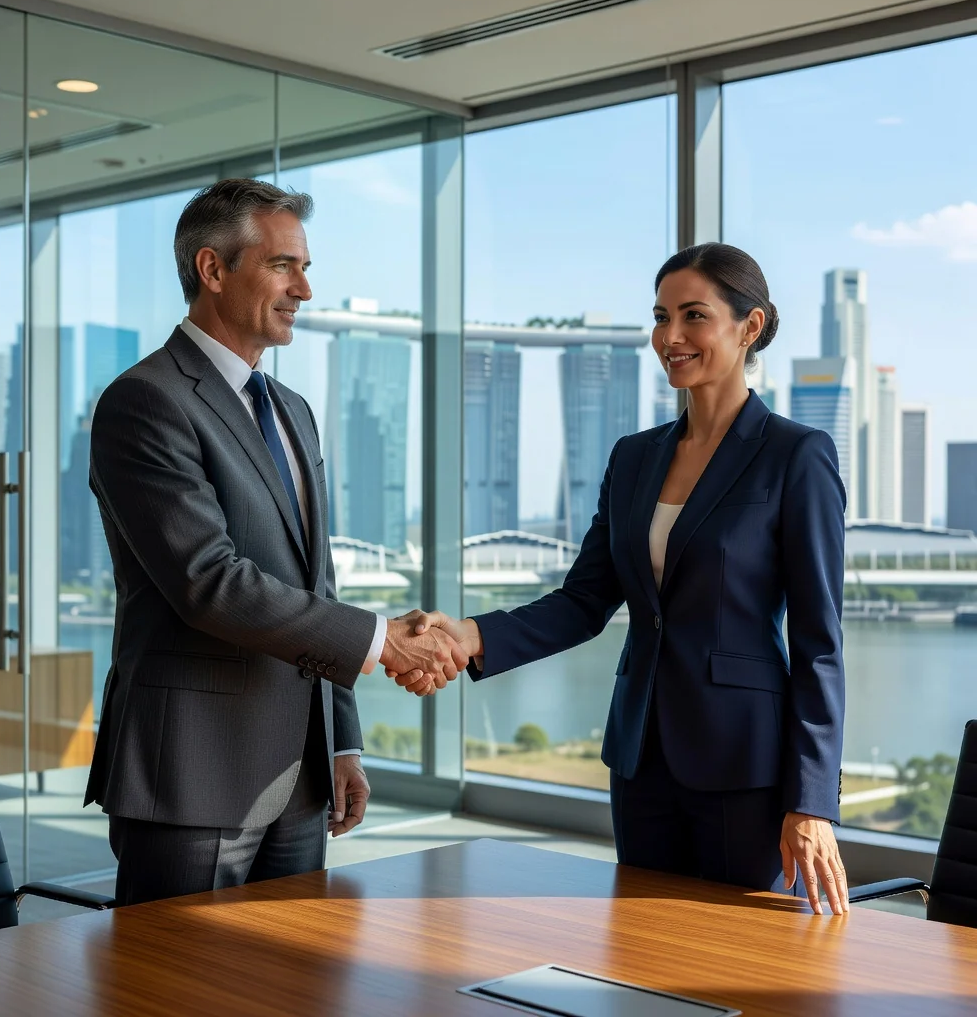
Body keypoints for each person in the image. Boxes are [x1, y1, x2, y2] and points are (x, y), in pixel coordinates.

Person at [398, 243, 850, 916]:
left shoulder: (796, 456)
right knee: (639, 943)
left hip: (745, 765)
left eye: (694, 315)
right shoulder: (634, 457)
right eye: (662, 317)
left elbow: (820, 644)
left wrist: (812, 801)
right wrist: (467, 635)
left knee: (740, 957)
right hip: (641, 759)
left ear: (749, 327)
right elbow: (584, 600)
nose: (670, 336)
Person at [85, 178, 463, 906]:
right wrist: (384, 641)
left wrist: (341, 741)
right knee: (179, 971)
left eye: (306, 267)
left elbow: (316, 582)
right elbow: (208, 582)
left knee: (294, 969)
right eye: (283, 265)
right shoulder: (146, 401)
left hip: (302, 777)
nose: (304, 290)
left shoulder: (291, 410)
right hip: (194, 770)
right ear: (212, 268)